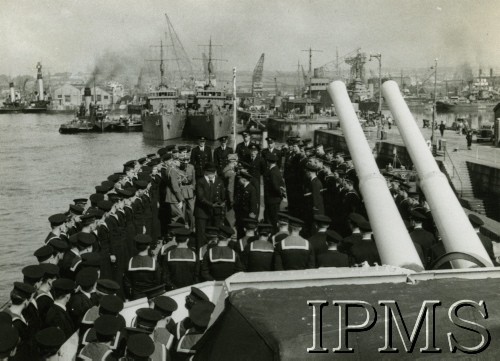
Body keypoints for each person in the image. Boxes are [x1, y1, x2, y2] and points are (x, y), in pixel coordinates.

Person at [194, 163, 226, 250]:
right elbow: (201, 197)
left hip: (215, 212)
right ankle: (200, 253)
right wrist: (212, 205)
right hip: (202, 212)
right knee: (201, 235)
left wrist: (222, 203)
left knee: (215, 233)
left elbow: (223, 195)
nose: (212, 175)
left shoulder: (219, 181)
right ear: (205, 172)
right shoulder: (200, 181)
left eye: (213, 172)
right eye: (210, 173)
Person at [263, 153, 285, 233]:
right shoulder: (276, 170)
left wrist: (280, 194)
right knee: (272, 218)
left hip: (272, 199)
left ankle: (273, 234)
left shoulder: (273, 172)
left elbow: (275, 187)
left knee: (272, 219)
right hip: (273, 199)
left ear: (268, 162)